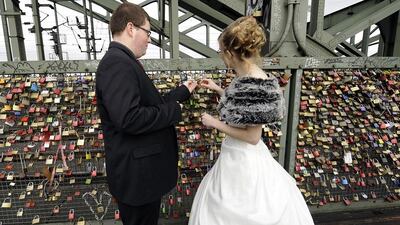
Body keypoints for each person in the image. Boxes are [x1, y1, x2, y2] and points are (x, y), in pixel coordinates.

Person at [189, 16, 314, 225]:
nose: (220, 56)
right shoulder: (246, 77)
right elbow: (244, 107)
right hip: (236, 157)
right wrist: (219, 89)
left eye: (220, 52)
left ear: (229, 53)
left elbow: (252, 136)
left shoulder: (254, 83)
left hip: (243, 163)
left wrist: (215, 123)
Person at [95, 2, 197, 225]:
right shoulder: (117, 64)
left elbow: (147, 105)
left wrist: (182, 92)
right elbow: (129, 118)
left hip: (141, 174)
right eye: (148, 32)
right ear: (131, 28)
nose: (150, 39)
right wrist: (173, 111)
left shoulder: (123, 61)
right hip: (137, 177)